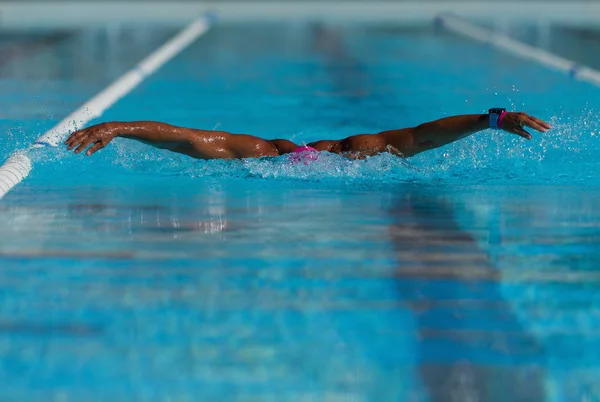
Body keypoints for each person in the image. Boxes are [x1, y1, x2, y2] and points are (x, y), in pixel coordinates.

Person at [64, 108, 551, 159]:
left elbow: (423, 135)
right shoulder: (267, 156)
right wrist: (116, 127)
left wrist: (492, 119)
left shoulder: (360, 152)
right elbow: (189, 137)